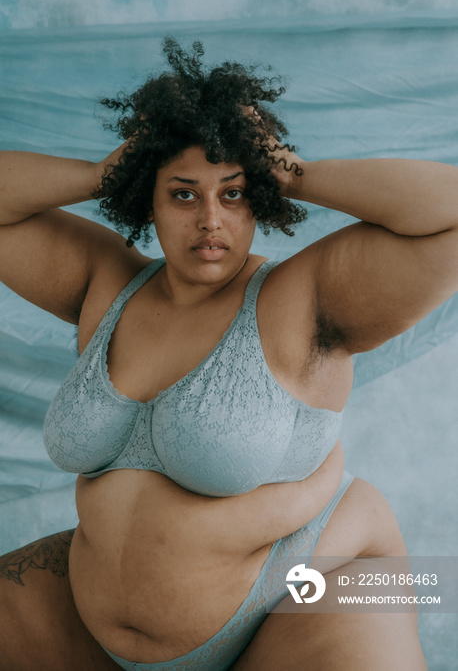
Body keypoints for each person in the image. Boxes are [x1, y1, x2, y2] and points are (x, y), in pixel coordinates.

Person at [0, 36, 455, 670]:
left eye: (234, 193)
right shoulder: (105, 283)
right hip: (95, 620)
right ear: (147, 201)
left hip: (302, 590)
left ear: (260, 197)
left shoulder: (303, 295)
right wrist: (103, 174)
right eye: (183, 194)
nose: (210, 219)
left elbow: (451, 212)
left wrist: (294, 171)